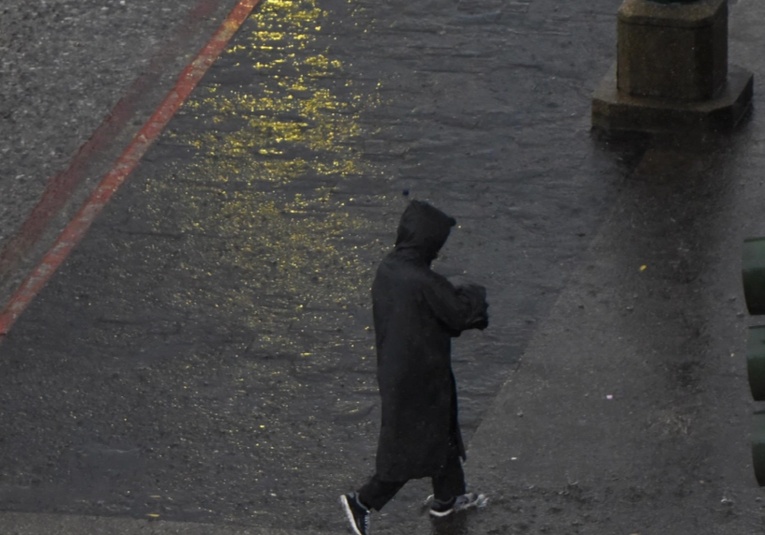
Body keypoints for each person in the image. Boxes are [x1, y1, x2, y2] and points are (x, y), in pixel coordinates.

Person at [340, 200, 489, 535]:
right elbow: (460, 314)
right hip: (420, 378)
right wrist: (475, 294)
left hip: (404, 370)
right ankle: (362, 501)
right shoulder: (423, 280)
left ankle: (448, 498)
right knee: (409, 448)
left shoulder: (390, 269)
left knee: (440, 437)